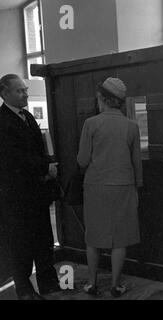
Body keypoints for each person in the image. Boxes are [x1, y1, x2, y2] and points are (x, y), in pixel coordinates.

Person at [77, 77, 143, 298]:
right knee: (120, 238)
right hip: (124, 186)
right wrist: (137, 186)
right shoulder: (132, 126)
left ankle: (92, 284)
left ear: (101, 98)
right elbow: (136, 163)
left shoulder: (91, 124)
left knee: (93, 236)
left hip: (96, 186)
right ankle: (116, 285)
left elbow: (82, 160)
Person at [0, 74, 60, 300]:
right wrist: (46, 167)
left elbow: (36, 151)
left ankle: (49, 284)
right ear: (4, 93)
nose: (25, 94)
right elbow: (14, 159)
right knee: (21, 244)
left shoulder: (27, 117)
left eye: (25, 90)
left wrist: (45, 168)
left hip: (36, 193)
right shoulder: (3, 121)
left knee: (43, 239)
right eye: (20, 91)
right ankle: (24, 289)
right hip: (16, 197)